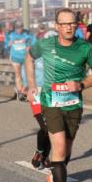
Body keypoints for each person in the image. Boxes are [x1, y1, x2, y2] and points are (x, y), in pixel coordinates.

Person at [25, 8, 92, 182]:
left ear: (76, 25)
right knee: (58, 147)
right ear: (57, 26)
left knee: (65, 151)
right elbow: (28, 56)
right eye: (64, 23)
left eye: (72, 23)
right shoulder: (46, 44)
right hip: (51, 102)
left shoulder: (85, 48)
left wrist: (82, 84)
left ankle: (53, 176)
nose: (69, 27)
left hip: (74, 105)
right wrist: (31, 84)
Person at [28, 42, 52, 170]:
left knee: (53, 127)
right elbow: (25, 68)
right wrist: (23, 85)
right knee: (45, 126)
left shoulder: (58, 56)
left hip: (52, 93)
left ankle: (45, 156)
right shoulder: (34, 54)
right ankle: (39, 152)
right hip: (36, 91)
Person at [6, 21, 34, 100]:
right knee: (18, 74)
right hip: (15, 57)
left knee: (26, 75)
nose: (19, 29)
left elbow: (33, 41)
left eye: (21, 27)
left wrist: (29, 46)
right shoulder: (11, 34)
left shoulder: (27, 34)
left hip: (25, 57)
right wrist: (8, 44)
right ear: (15, 27)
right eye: (17, 27)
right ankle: (20, 92)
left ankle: (24, 89)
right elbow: (5, 45)